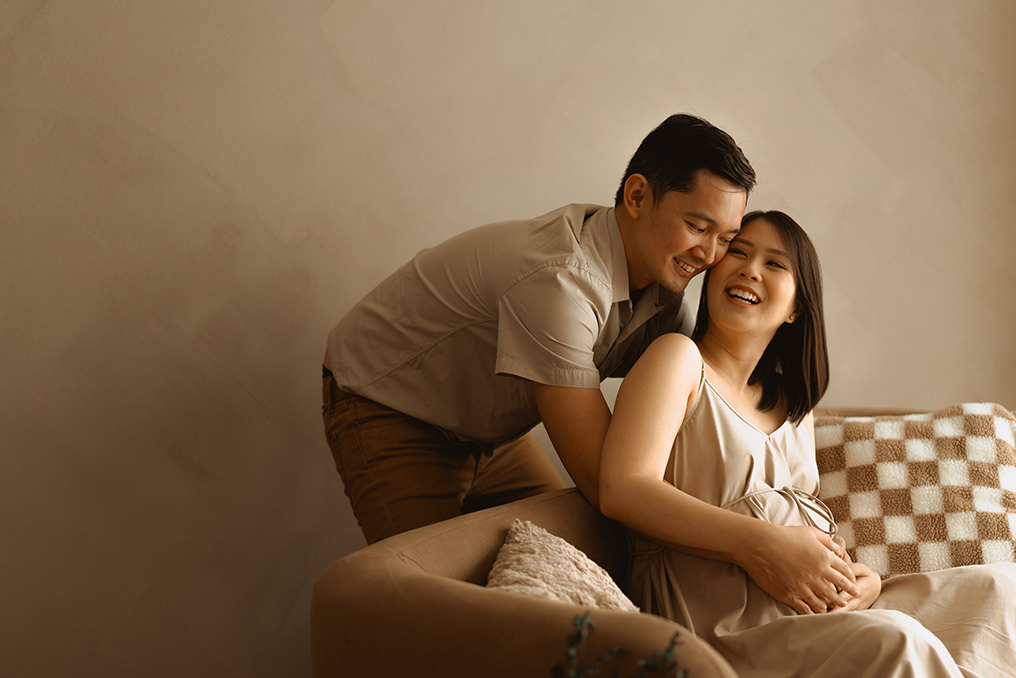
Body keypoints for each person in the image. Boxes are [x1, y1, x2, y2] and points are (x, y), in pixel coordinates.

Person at [598, 211, 1016, 677]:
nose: (750, 269)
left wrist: (863, 582)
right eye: (738, 252)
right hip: (725, 622)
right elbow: (623, 488)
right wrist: (765, 546)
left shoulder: (794, 406)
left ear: (796, 307)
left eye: (775, 264)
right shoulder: (678, 359)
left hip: (815, 612)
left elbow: (808, 540)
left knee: (1001, 591)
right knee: (898, 641)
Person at [322, 113, 755, 544]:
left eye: (726, 239)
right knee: (430, 583)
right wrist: (754, 543)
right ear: (637, 196)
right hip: (391, 406)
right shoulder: (561, 280)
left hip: (492, 434)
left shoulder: (664, 294)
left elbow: (711, 406)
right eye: (698, 227)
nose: (709, 255)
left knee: (578, 550)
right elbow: (611, 487)